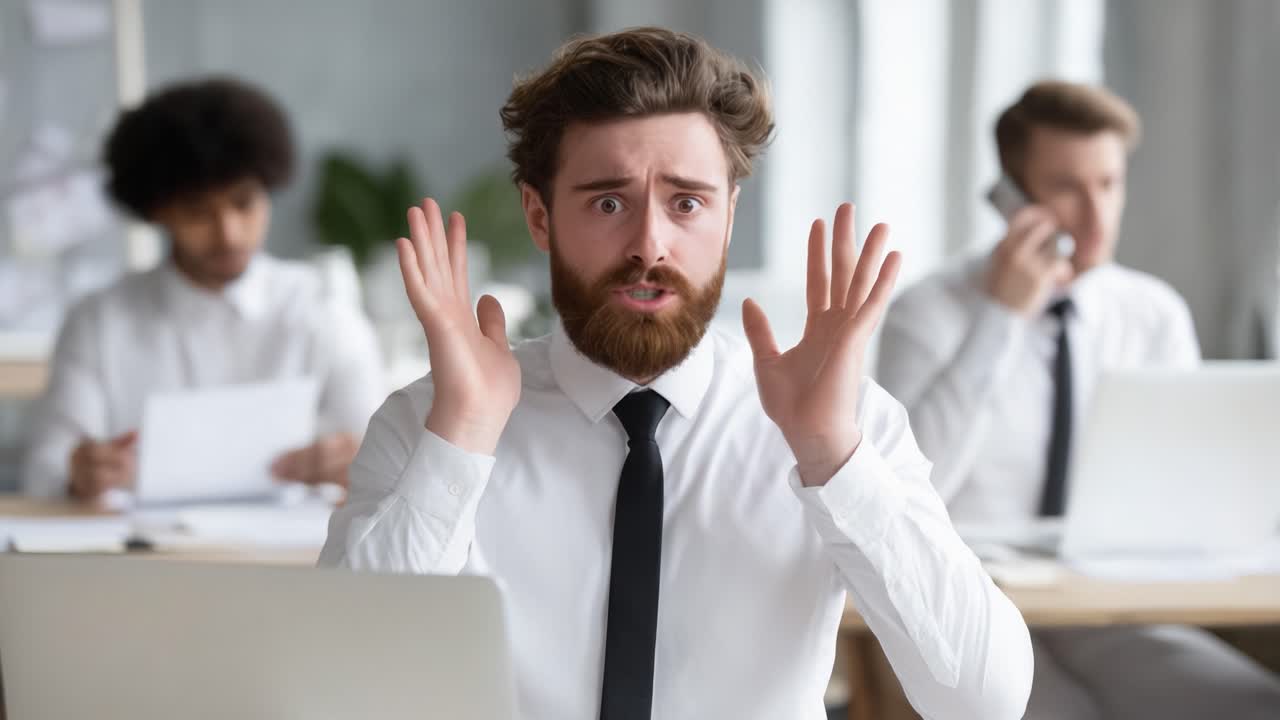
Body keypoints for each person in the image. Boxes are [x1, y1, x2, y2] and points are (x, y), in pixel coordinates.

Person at [320, 28, 1031, 720]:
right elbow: (338, 688)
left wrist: (832, 456)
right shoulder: (428, 423)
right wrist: (463, 436)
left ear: (728, 217)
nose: (649, 245)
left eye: (687, 202)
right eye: (608, 202)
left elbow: (984, 702)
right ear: (539, 217)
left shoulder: (845, 424)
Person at [878, 80, 1280, 719]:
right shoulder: (927, 314)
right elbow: (905, 488)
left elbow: (1187, 490)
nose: (1096, 217)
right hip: (969, 608)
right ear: (1013, 197)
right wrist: (1000, 320)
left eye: (1109, 184)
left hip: (1102, 606)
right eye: (1067, 187)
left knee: (1251, 703)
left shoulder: (1151, 314)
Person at [22, 77, 384, 502]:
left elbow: (378, 456)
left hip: (295, 560)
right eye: (198, 212)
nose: (228, 233)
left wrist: (358, 464)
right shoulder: (99, 321)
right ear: (157, 212)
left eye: (244, 203)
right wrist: (78, 473)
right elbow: (45, 469)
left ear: (269, 192)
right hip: (142, 561)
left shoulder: (322, 309)